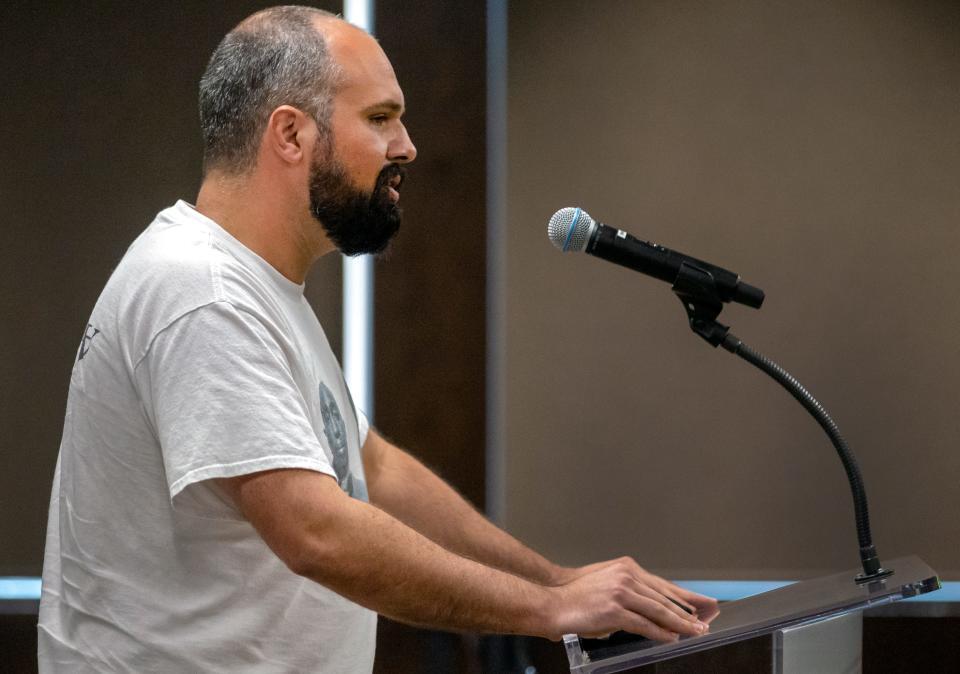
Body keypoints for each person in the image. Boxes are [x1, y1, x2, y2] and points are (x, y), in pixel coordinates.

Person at [38, 6, 717, 672]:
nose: (407, 146)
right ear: (291, 135)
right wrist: (545, 609)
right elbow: (316, 532)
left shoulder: (255, 287)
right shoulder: (203, 292)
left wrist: (557, 581)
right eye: (380, 119)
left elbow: (374, 470)